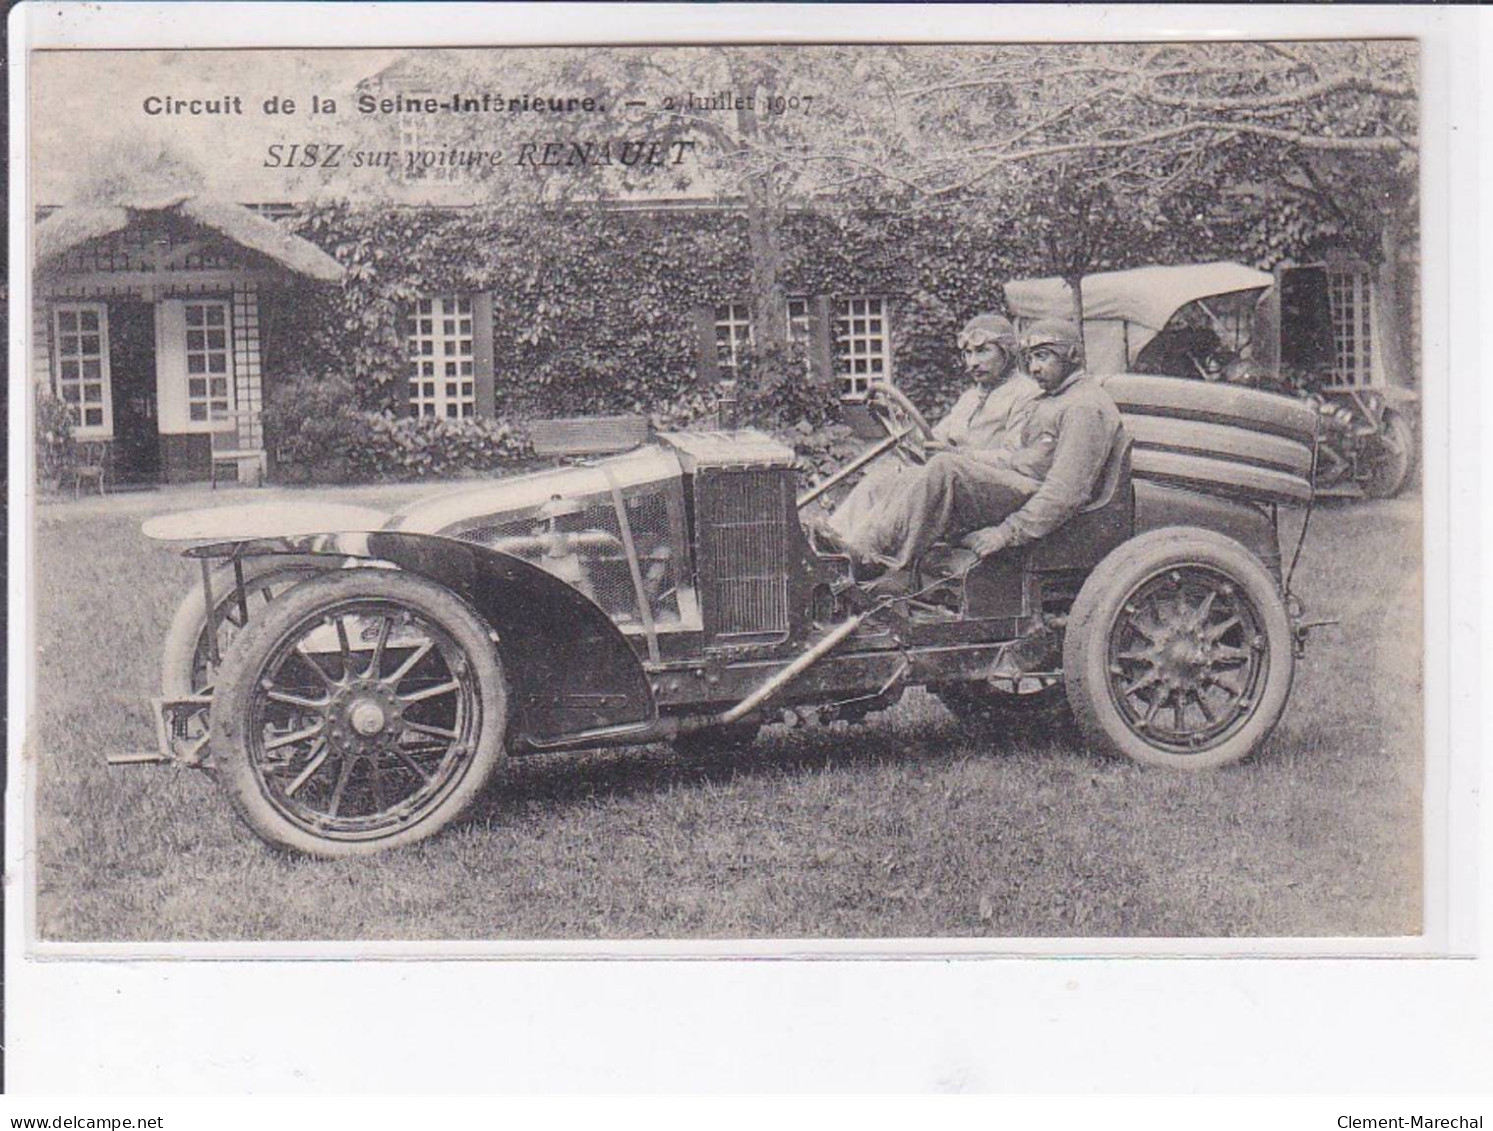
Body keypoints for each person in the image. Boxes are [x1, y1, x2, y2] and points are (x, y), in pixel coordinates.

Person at [840, 319, 1123, 594]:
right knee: (912, 472)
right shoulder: (1054, 398)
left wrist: (1006, 532)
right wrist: (965, 456)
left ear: (1072, 356)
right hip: (1021, 483)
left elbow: (1066, 492)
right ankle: (849, 546)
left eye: (1043, 357)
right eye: (1031, 358)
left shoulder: (1084, 408)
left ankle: (872, 558)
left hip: (1038, 498)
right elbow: (1018, 459)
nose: (1034, 368)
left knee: (946, 469)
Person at [818, 312, 1038, 550]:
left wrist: (960, 455)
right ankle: (833, 541)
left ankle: (864, 549)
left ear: (1007, 352)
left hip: (994, 490)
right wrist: (898, 420)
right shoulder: (970, 397)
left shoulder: (1026, 394)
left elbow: (1016, 458)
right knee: (885, 476)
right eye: (968, 353)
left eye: (983, 351)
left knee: (918, 478)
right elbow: (932, 440)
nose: (973, 362)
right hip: (955, 482)